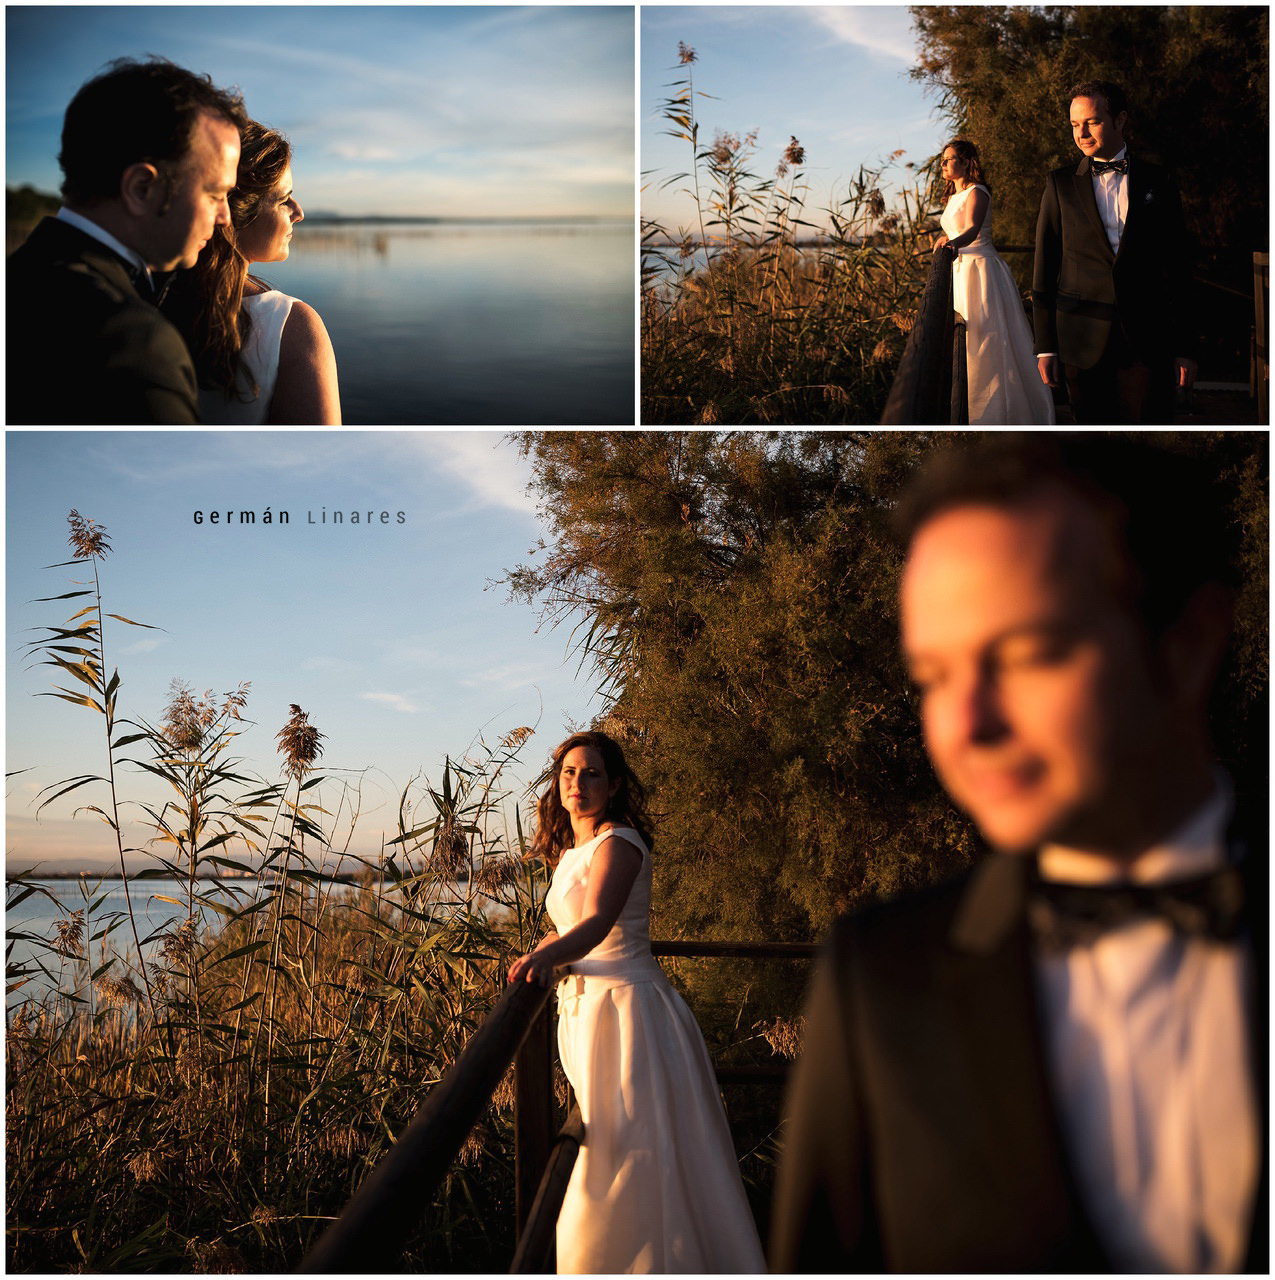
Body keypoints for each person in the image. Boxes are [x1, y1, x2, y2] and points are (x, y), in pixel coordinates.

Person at [770, 434, 1264, 1273]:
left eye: (1025, 656)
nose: (967, 727)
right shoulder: (880, 979)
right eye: (932, 677)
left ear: (1188, 643)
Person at [509, 731, 765, 1273]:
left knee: (633, 1152)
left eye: (592, 773)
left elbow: (598, 920)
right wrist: (539, 953)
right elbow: (571, 926)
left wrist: (544, 961)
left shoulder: (618, 842)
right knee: (611, 1144)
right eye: (569, 773)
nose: (577, 783)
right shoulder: (577, 847)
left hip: (627, 1013)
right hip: (590, 1012)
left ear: (616, 784)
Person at [7, 57, 246, 424]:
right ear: (141, 188)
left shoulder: (17, 275)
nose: (225, 216)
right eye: (215, 194)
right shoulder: (134, 344)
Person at [1033, 80, 1197, 423]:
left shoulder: (1158, 180)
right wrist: (1045, 345)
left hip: (1148, 338)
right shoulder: (1059, 183)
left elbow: (1179, 267)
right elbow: (1045, 267)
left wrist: (1186, 347)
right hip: (1080, 337)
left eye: (1091, 121)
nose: (1082, 133)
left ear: (1120, 120)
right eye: (1075, 125)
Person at [163, 121, 341, 424]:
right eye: (284, 199)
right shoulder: (290, 325)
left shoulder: (140, 298)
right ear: (235, 212)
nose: (299, 213)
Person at [933, 140, 1054, 424]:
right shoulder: (953, 195)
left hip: (981, 271)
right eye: (943, 160)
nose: (944, 165)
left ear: (965, 161)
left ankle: (1004, 411)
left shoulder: (978, 192)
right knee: (967, 338)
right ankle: (974, 409)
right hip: (961, 271)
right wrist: (944, 239)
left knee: (989, 338)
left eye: (949, 159)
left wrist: (952, 244)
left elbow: (972, 229)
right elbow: (955, 228)